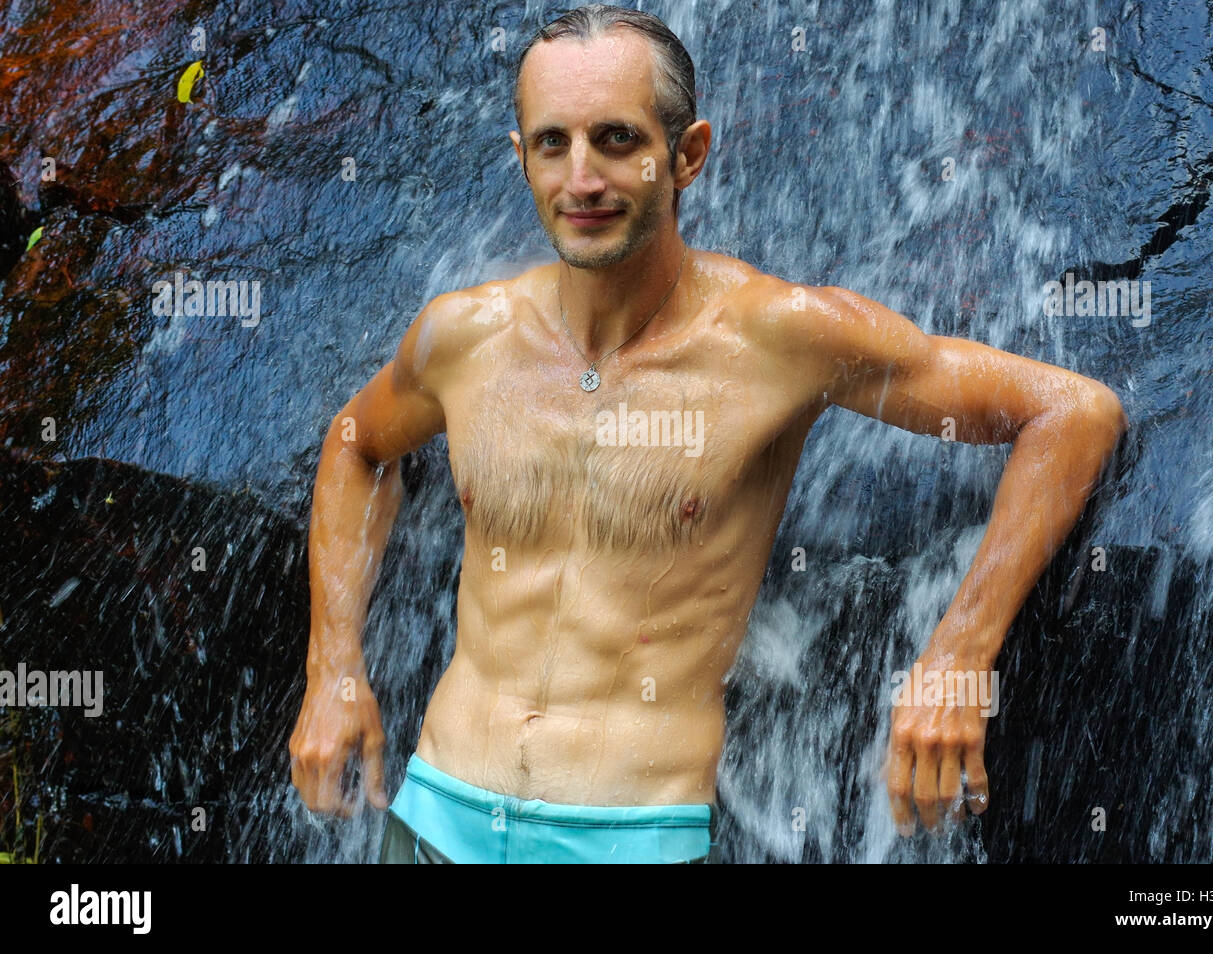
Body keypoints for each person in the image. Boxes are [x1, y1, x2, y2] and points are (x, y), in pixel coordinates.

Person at [288, 4, 1128, 863]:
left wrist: (959, 655)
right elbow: (356, 445)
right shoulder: (464, 336)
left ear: (687, 154)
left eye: (615, 139)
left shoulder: (779, 338)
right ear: (522, 158)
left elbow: (1073, 414)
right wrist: (333, 671)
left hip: (633, 840)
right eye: (553, 144)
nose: (581, 179)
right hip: (435, 818)